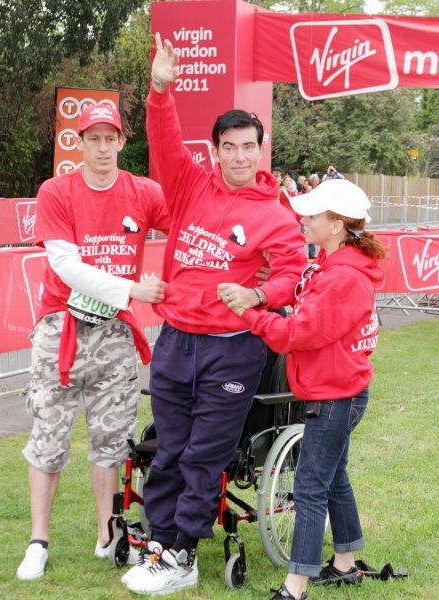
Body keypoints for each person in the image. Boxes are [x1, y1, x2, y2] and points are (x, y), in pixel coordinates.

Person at [120, 32, 305, 596]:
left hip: (232, 346)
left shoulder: (275, 214)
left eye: (250, 146)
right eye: (231, 147)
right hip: (177, 338)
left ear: (260, 148)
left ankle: (184, 554)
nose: (241, 156)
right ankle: (163, 542)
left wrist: (257, 297)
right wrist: (160, 87)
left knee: (205, 454)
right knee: (169, 447)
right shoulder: (190, 184)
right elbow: (163, 138)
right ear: (217, 149)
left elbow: (292, 274)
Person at [16, 103, 171, 581]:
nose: (103, 148)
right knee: (48, 440)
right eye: (93, 139)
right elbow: (65, 265)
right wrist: (130, 289)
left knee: (111, 440)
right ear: (79, 143)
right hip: (60, 329)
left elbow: (189, 230)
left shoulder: (144, 192)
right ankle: (38, 541)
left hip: (115, 334)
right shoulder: (56, 191)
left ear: (123, 142)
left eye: (111, 138)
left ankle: (108, 533)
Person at [220, 179, 388, 600]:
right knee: (333, 478)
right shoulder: (331, 264)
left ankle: (296, 586)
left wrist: (248, 311)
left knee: (311, 486)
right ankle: (345, 563)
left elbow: (294, 334)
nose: (303, 219)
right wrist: (265, 289)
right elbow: (304, 294)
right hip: (338, 390)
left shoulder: (342, 277)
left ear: (336, 225)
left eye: (313, 214)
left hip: (334, 396)